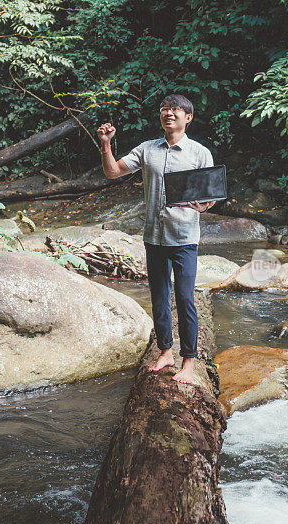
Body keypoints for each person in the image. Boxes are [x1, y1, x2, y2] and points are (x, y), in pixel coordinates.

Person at [97, 94, 216, 385]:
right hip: (154, 236)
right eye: (165, 109)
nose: (169, 113)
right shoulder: (148, 150)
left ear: (188, 118)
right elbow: (113, 172)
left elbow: (211, 196)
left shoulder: (199, 153)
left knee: (186, 299)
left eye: (176, 110)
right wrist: (105, 145)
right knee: (159, 298)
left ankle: (189, 361)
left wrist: (202, 206)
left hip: (185, 237)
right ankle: (165, 352)